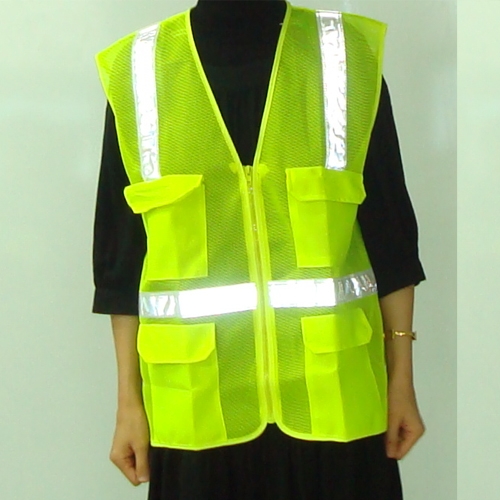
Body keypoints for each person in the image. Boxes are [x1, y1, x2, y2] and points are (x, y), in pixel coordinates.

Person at [92, 1, 426, 499]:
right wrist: (128, 405)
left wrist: (402, 380)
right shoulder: (138, 71)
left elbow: (391, 240)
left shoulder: (344, 56)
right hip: (197, 413)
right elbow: (120, 266)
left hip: (333, 406)